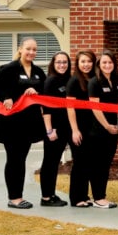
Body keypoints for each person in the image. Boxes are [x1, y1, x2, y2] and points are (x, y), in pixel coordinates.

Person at [0, 37, 47, 210]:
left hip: (29, 122)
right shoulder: (10, 68)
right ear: (21, 49)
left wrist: (36, 91)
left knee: (22, 159)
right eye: (28, 49)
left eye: (34, 49)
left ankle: (18, 196)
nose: (31, 52)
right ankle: (14, 198)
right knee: (14, 159)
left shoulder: (37, 71)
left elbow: (44, 91)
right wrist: (5, 97)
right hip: (11, 122)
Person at [87, 50, 118, 209]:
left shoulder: (115, 81)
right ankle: (98, 198)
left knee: (106, 163)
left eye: (110, 62)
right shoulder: (94, 82)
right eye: (104, 63)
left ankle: (102, 195)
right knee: (98, 164)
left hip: (113, 129)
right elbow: (95, 107)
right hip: (99, 130)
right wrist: (107, 126)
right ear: (99, 66)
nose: (107, 65)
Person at [39, 50, 72, 207]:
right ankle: (46, 197)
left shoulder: (68, 80)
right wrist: (49, 130)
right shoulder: (50, 81)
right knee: (50, 163)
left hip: (66, 128)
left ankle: (52, 194)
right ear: (53, 64)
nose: (62, 65)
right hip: (54, 130)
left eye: (65, 62)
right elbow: (46, 108)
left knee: (55, 164)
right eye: (58, 62)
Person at [66, 49, 97, 207]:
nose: (86, 64)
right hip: (79, 128)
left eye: (89, 61)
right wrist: (75, 130)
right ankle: (76, 198)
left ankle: (84, 195)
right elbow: (70, 107)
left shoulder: (93, 79)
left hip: (91, 128)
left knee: (87, 162)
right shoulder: (74, 81)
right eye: (83, 61)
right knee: (79, 162)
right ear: (78, 64)